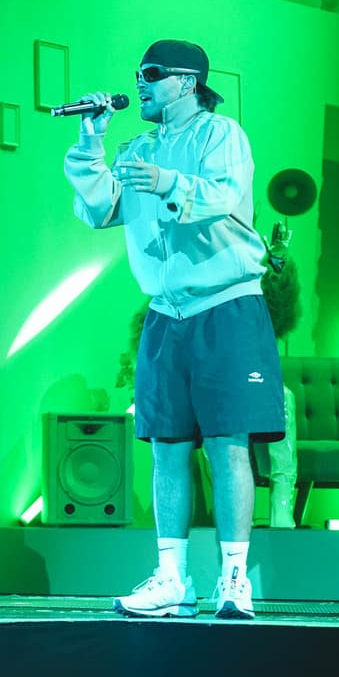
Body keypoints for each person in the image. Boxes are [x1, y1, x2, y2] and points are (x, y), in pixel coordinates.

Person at [62, 39, 284, 620]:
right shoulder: (137, 147)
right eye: (138, 73)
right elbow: (99, 210)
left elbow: (222, 195)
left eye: (152, 73)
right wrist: (91, 142)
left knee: (228, 445)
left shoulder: (221, 133)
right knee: (167, 446)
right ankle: (171, 577)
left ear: (187, 82)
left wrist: (165, 181)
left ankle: (234, 578)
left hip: (226, 307)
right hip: (166, 314)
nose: (140, 82)